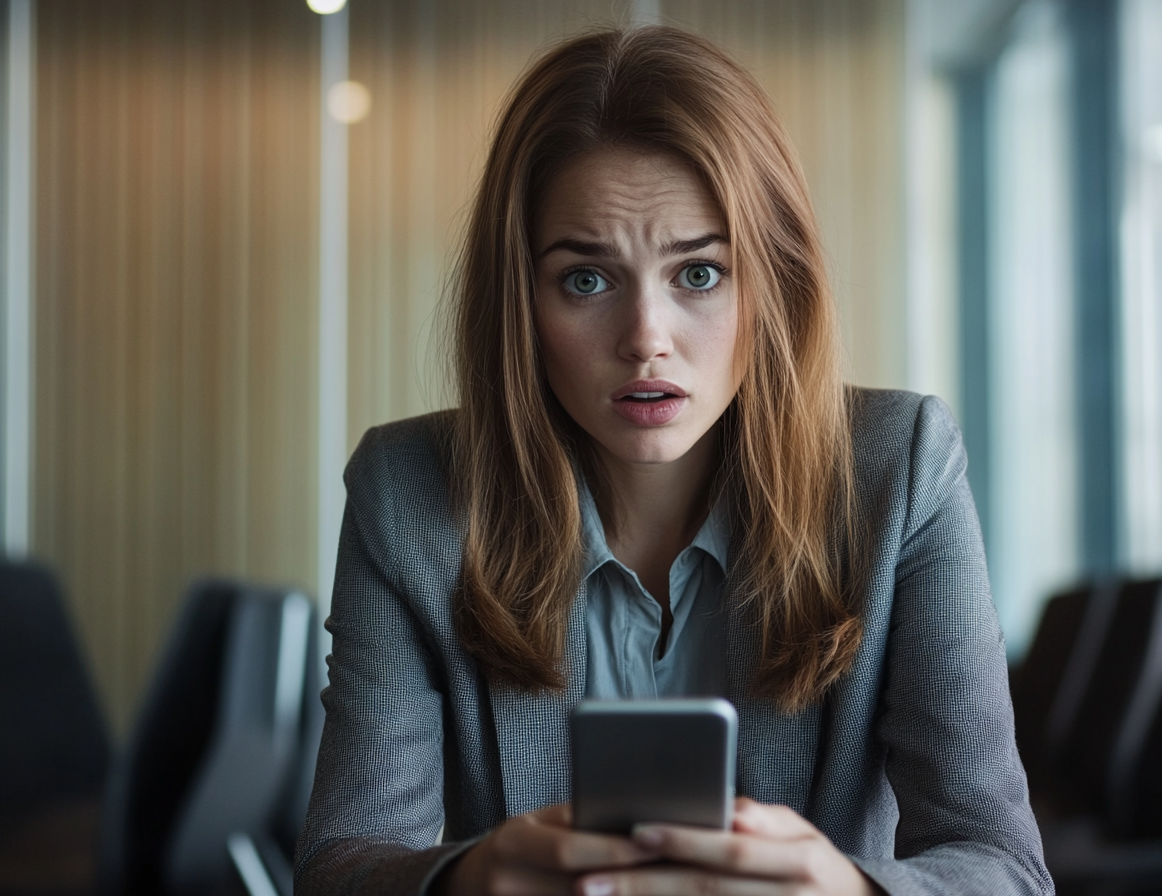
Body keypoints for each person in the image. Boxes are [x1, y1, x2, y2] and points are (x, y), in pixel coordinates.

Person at [295, 24, 1053, 896]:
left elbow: (1004, 869)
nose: (646, 340)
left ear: (774, 283)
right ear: (521, 303)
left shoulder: (899, 472)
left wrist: (850, 892)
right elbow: (339, 869)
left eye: (699, 275)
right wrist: (476, 877)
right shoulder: (409, 495)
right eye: (586, 279)